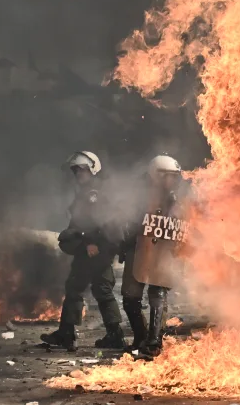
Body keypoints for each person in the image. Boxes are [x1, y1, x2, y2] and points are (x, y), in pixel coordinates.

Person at [41, 151, 126, 351]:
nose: (78, 174)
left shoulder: (95, 194)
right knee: (93, 288)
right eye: (76, 171)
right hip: (94, 249)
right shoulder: (89, 191)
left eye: (82, 170)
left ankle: (70, 334)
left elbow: (103, 222)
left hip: (95, 249)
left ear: (93, 169)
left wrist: (92, 243)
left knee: (84, 288)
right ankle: (110, 335)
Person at [120, 154, 190, 357]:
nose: (172, 180)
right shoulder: (140, 199)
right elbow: (128, 224)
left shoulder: (177, 202)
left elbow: (183, 228)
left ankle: (154, 341)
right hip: (139, 252)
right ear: (156, 176)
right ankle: (140, 338)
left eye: (174, 176)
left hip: (162, 254)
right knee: (130, 298)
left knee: (158, 294)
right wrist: (125, 245)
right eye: (168, 176)